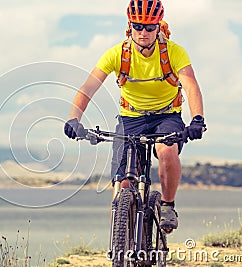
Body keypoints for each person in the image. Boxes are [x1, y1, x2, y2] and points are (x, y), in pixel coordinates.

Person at [64, 0, 206, 233]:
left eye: (150, 27)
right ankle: (119, 236)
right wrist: (73, 119)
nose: (144, 32)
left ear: (159, 27)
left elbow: (190, 85)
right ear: (130, 26)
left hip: (166, 115)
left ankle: (168, 205)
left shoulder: (174, 51)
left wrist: (197, 119)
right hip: (131, 118)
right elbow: (87, 88)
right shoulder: (117, 53)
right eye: (138, 26)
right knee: (122, 180)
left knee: (166, 150)